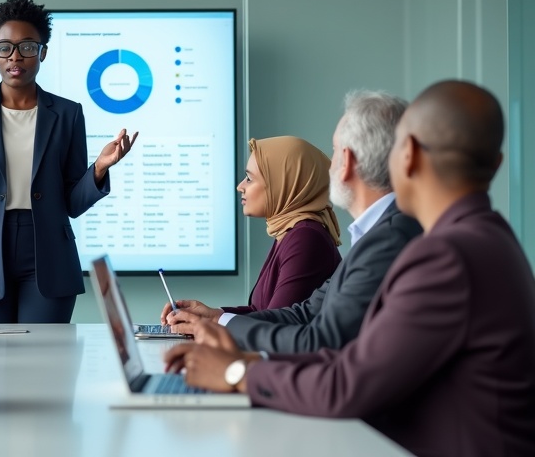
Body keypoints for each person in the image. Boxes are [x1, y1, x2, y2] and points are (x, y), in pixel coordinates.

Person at [165, 80, 535, 457]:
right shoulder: (489, 238)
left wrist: (236, 374)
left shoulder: (445, 256)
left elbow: (347, 382)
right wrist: (237, 351)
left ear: (407, 155)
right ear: (496, 164)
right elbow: (348, 355)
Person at [0, 0, 137, 323]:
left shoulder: (67, 113)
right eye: (4, 47)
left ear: (43, 51)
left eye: (27, 47)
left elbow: (72, 202)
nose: (14, 57)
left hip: (49, 254)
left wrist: (100, 168)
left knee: (46, 364)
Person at [163, 91, 422, 353]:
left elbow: (314, 339)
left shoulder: (380, 239)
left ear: (348, 163)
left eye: (334, 152)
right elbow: (303, 313)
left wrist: (238, 373)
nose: (329, 166)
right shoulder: (372, 234)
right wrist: (215, 319)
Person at [165, 136, 342, 318]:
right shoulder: (289, 232)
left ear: (281, 183)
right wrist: (211, 314)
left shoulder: (305, 237)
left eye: (249, 179)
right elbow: (261, 313)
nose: (240, 186)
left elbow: (275, 322)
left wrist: (214, 322)